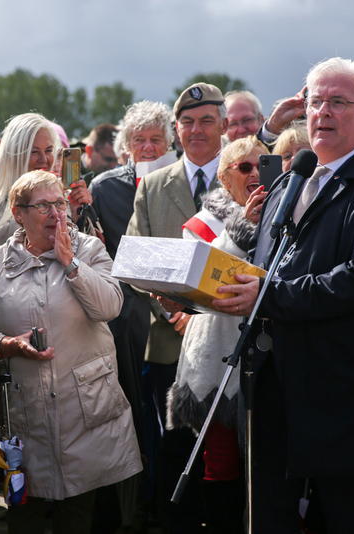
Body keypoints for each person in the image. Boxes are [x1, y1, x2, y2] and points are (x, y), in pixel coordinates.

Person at [214, 57, 354, 533]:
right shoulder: (291, 179)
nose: (322, 112)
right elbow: (268, 266)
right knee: (268, 513)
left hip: (340, 388)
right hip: (272, 378)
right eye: (314, 101)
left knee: (344, 514)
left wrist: (268, 296)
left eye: (337, 102)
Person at [0, 171, 142, 534]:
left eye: (60, 204)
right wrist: (6, 345)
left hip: (84, 405)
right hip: (24, 409)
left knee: (79, 512)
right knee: (24, 510)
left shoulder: (89, 248)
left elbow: (111, 306)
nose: (56, 214)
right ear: (19, 213)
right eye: (43, 206)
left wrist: (71, 264)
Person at [125, 82, 227, 532]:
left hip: (228, 341)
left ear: (223, 124)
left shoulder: (247, 175)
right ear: (176, 129)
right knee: (174, 448)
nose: (197, 130)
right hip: (170, 341)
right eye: (187, 122)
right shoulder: (153, 185)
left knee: (228, 449)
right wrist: (174, 314)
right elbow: (135, 260)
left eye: (207, 120)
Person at [163, 136, 268, 534]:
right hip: (218, 361)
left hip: (271, 358)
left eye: (263, 165)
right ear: (225, 178)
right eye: (244, 168)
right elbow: (208, 278)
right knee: (221, 464)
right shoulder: (202, 223)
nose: (256, 174)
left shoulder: (290, 213)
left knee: (267, 466)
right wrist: (244, 227)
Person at [89, 99, 175, 531]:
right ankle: (130, 512)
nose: (146, 147)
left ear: (169, 143)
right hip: (123, 321)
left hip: (176, 320)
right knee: (129, 416)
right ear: (124, 145)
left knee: (169, 420)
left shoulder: (179, 183)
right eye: (138, 140)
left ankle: (164, 505)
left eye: (155, 140)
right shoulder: (106, 188)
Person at [0, 112, 91, 284]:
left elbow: (89, 263)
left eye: (49, 151)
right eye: (34, 152)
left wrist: (78, 216)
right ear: (14, 154)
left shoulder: (63, 201)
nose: (44, 160)